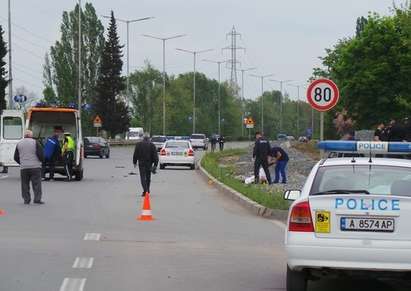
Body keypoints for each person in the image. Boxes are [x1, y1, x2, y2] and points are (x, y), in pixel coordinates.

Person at [13, 130, 45, 204]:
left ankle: (26, 200)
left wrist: (21, 163)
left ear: (24, 135)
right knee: (36, 184)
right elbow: (40, 154)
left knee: (24, 184)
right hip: (35, 167)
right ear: (31, 135)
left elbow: (15, 157)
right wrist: (41, 161)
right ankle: (37, 199)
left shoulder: (19, 143)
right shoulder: (35, 142)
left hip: (24, 168)